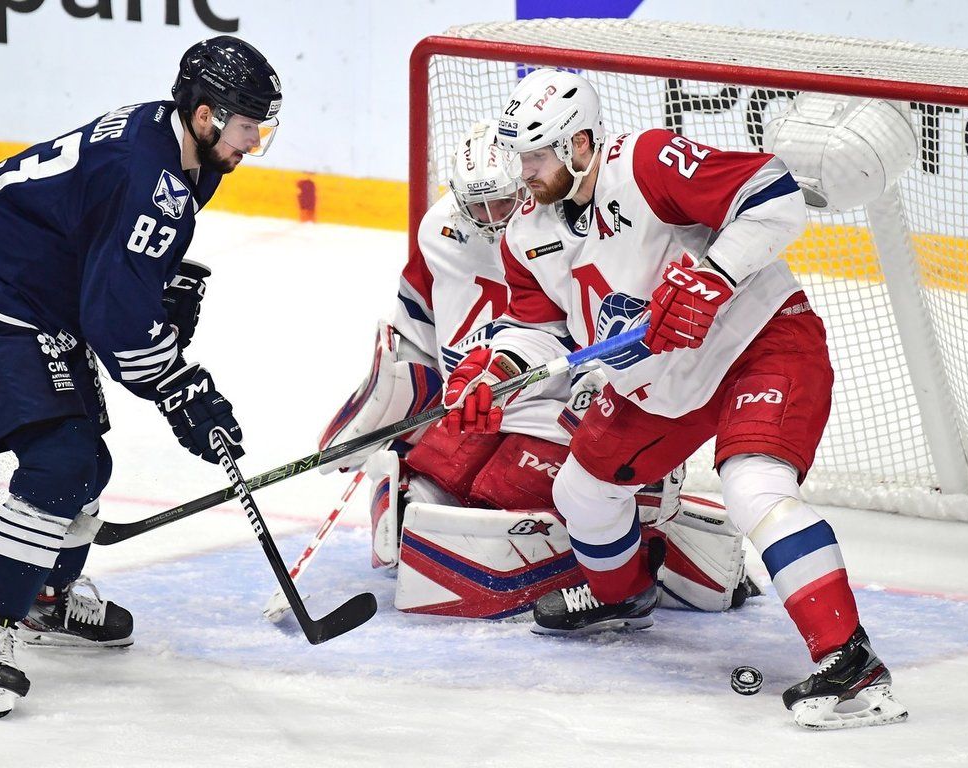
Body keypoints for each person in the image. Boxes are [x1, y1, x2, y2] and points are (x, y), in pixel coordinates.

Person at [442, 68, 907, 729]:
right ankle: (622, 595)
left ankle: (851, 665)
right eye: (519, 155)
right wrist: (497, 372)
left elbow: (774, 194)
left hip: (760, 342)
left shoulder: (646, 161)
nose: (524, 171)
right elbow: (538, 330)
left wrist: (712, 279)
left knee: (754, 486)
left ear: (579, 145)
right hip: (662, 382)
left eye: (536, 155)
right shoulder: (525, 233)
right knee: (581, 491)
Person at [0, 35, 281, 718]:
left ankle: (44, 600)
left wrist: (154, 286)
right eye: (247, 129)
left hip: (35, 283)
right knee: (61, 462)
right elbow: (115, 324)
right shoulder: (148, 175)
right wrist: (183, 389)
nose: (254, 145)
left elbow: (108, 256)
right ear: (207, 115)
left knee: (89, 465)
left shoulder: (178, 142)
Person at [318, 121, 757, 619]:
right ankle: (631, 536)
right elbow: (418, 322)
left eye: (503, 203)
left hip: (590, 404)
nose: (491, 220)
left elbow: (595, 330)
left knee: (505, 494)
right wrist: (403, 390)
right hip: (508, 397)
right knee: (423, 487)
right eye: (477, 207)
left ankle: (664, 547)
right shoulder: (446, 231)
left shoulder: (575, 225)